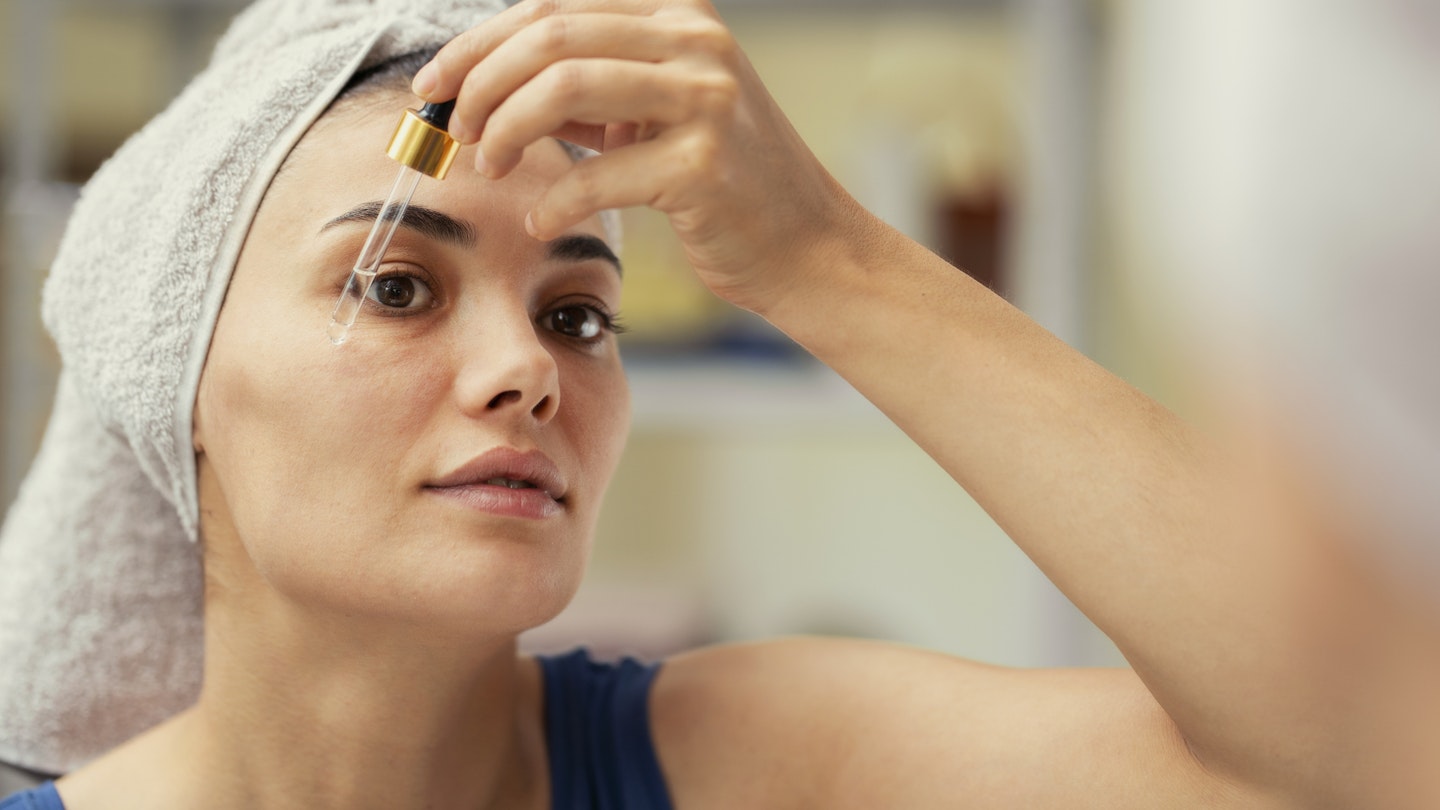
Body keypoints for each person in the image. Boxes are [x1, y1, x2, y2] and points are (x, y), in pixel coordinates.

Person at [2, 0, 1436, 808]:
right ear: (170, 377)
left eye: (578, 312)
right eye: (395, 286)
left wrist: (833, 257)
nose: (529, 369)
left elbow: (1340, 754)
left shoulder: (744, 764)